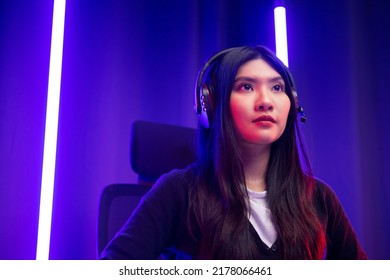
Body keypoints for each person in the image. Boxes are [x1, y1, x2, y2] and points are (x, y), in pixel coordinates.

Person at [100, 45, 367, 260]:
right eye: (246, 87)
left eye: (277, 88)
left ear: (292, 105)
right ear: (211, 105)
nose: (265, 101)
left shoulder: (318, 197)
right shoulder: (179, 192)